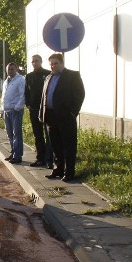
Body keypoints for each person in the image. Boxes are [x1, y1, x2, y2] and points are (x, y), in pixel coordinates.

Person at [40, 53, 85, 182]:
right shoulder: (48, 77)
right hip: (50, 116)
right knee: (55, 145)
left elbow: (80, 94)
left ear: (62, 63)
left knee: (68, 145)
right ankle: (58, 169)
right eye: (51, 64)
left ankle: (69, 172)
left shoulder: (72, 76)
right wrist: (42, 114)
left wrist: (72, 112)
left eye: (56, 63)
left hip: (65, 116)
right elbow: (44, 97)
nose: (53, 66)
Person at [25, 54, 52, 167]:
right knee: (38, 135)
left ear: (41, 62)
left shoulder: (47, 74)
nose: (34, 63)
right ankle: (40, 158)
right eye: (33, 61)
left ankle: (49, 159)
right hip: (34, 109)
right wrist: (28, 104)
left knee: (49, 134)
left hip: (46, 109)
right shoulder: (29, 76)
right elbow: (26, 92)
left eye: (36, 61)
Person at [0, 62, 26, 164]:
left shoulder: (20, 80)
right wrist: (1, 110)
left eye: (12, 69)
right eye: (8, 69)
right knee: (10, 133)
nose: (10, 71)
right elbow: (3, 97)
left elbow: (22, 95)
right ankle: (13, 152)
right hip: (7, 110)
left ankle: (18, 155)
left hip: (15, 111)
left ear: (16, 69)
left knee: (17, 133)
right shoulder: (6, 81)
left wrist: (17, 107)